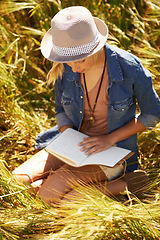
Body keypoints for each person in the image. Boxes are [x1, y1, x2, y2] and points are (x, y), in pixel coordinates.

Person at [12, 6, 160, 206]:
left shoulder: (129, 68)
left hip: (113, 150)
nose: (74, 68)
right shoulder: (65, 64)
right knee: (18, 182)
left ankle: (125, 184)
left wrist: (110, 139)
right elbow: (61, 111)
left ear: (96, 46)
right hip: (74, 145)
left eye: (80, 60)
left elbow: (153, 113)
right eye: (69, 62)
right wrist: (69, 136)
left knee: (48, 196)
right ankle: (84, 189)